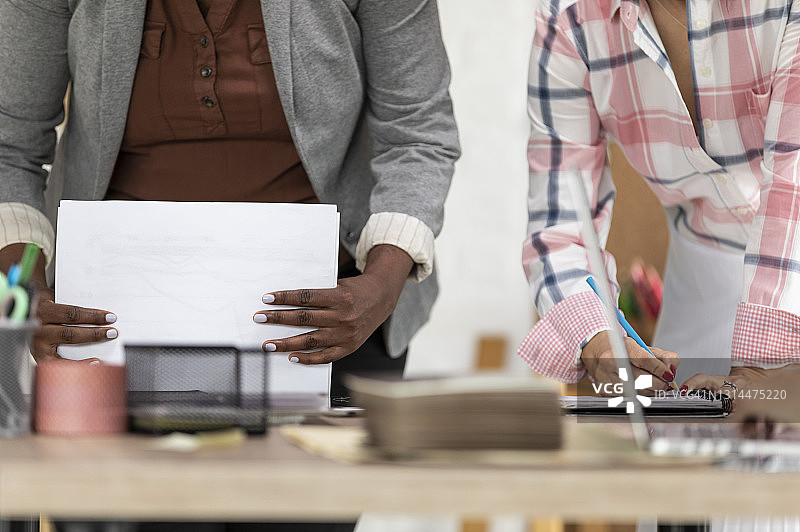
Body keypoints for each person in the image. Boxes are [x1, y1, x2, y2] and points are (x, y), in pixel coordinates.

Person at [0, 0, 459, 408]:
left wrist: (381, 284)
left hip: (333, 326)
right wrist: (28, 297)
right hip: (103, 332)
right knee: (111, 501)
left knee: (302, 499)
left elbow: (417, 133)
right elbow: (10, 147)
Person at [517, 0, 800, 392]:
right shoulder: (569, 20)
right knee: (674, 437)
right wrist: (598, 337)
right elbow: (560, 224)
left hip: (793, 258)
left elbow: (792, 190)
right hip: (704, 264)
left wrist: (761, 371)